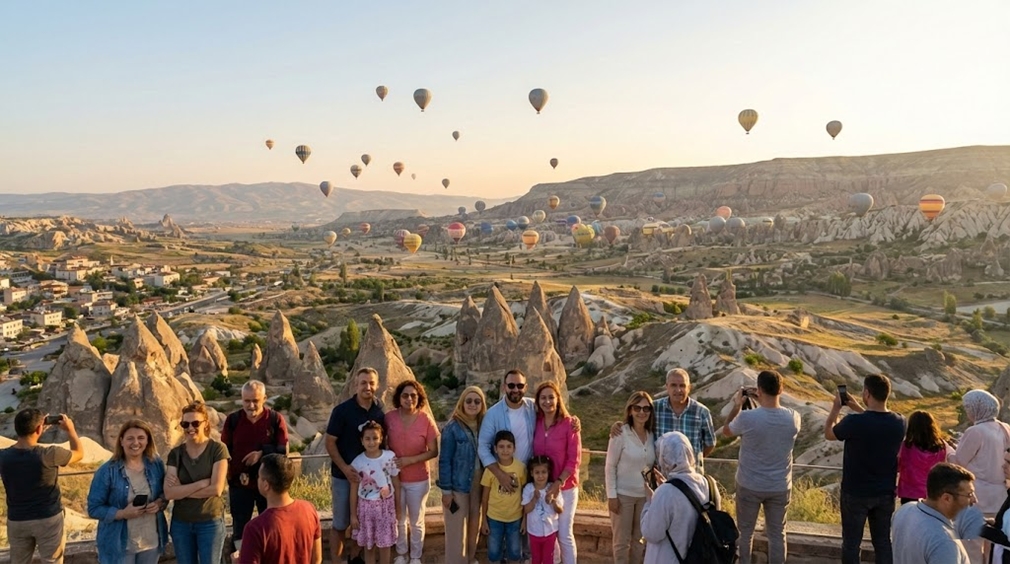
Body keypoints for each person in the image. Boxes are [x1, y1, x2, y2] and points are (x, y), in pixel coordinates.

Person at [825, 374, 906, 564]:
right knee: (883, 542)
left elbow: (829, 434)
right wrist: (859, 408)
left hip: (855, 492)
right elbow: (876, 421)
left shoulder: (854, 422)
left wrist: (836, 408)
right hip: (885, 493)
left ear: (867, 393)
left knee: (852, 544)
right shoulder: (900, 421)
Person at [723, 370, 801, 564]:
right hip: (779, 486)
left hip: (749, 484)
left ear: (758, 390)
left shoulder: (748, 418)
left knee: (745, 533)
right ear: (781, 389)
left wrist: (737, 405)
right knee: (777, 534)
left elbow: (726, 431)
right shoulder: (793, 417)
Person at [0, 409, 84, 564]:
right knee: (52, 561)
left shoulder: (3, 457)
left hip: (17, 520)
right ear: (39, 429)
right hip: (48, 518)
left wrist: (37, 428)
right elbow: (78, 453)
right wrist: (70, 429)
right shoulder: (50, 454)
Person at [325, 367, 386, 564]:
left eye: (371, 383)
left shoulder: (379, 411)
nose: (367, 387)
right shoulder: (342, 411)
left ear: (377, 385)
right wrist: (344, 467)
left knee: (364, 522)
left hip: (370, 480)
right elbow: (330, 442)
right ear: (355, 385)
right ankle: (337, 560)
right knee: (341, 523)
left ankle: (355, 559)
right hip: (344, 477)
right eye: (363, 383)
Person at [221, 380, 288, 553]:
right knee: (240, 529)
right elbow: (223, 451)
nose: (251, 405)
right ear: (241, 399)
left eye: (255, 401)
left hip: (269, 486)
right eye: (246, 401)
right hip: (239, 485)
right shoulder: (233, 420)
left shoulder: (275, 419)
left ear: (264, 398)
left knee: (271, 527)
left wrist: (261, 453)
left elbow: (282, 451)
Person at [87, 420, 168, 564]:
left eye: (141, 438)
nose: (135, 443)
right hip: (119, 545)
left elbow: (165, 494)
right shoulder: (107, 471)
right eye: (130, 438)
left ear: (148, 441)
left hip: (151, 542)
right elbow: (94, 508)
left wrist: (159, 503)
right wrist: (122, 514)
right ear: (121, 441)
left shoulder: (156, 464)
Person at [611, 368, 715, 472]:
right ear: (667, 387)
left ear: (689, 388)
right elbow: (637, 423)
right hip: (661, 479)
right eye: (673, 385)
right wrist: (619, 424)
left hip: (691, 479)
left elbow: (710, 444)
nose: (678, 390)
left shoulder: (702, 412)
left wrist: (692, 459)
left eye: (682, 385)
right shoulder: (655, 408)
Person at [164, 401, 230, 564]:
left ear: (205, 423)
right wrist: (201, 484)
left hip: (210, 522)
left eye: (195, 423)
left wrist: (182, 490)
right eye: (185, 424)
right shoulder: (176, 454)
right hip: (181, 523)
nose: (190, 428)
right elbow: (169, 493)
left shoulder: (217, 449)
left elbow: (216, 489)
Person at [949, 389, 1010, 562]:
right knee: (992, 548)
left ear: (977, 408)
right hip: (1000, 495)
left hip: (978, 495)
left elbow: (959, 463)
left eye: (968, 407)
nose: (967, 411)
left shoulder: (975, 431)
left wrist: (948, 450)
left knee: (971, 546)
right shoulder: (1005, 427)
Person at [640, 431, 719, 564]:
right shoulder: (709, 484)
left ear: (665, 458)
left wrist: (650, 501)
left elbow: (651, 533)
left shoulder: (665, 492)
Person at [386, 380, 439, 564]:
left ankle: (415, 556)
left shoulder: (425, 420)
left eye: (413, 395)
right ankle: (401, 554)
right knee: (398, 518)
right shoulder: (389, 418)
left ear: (419, 398)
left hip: (418, 479)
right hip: (395, 479)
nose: (409, 399)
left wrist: (410, 460)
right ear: (399, 398)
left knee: (416, 520)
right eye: (405, 395)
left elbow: (434, 451)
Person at [234, 454, 322, 564]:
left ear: (266, 485)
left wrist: (237, 561)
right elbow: (317, 559)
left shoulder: (255, 528)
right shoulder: (309, 510)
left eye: (259, 477)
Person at [531, 381, 581, 564]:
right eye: (543, 398)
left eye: (551, 397)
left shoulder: (569, 424)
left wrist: (558, 483)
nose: (547, 401)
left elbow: (574, 459)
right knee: (548, 531)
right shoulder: (535, 421)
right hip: (543, 485)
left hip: (565, 487)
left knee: (564, 533)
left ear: (558, 399)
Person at [438, 386, 487, 564]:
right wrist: (446, 491)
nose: (473, 404)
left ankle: (470, 559)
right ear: (462, 403)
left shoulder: (484, 425)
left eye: (477, 401)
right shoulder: (452, 427)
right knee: (456, 530)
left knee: (474, 523)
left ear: (482, 405)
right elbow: (444, 460)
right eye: (469, 401)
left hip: (478, 483)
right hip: (457, 484)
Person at [605, 391, 656, 564]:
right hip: (622, 495)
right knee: (621, 542)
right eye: (637, 408)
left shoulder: (652, 435)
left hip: (644, 497)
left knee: (639, 541)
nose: (642, 412)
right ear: (630, 410)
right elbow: (610, 466)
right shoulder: (620, 433)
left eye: (646, 408)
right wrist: (612, 496)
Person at [892, 462, 975, 563]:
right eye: (969, 495)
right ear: (947, 498)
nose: (974, 500)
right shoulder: (944, 543)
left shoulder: (905, 511)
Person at [349, 421, 401, 564]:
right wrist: (353, 515)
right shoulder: (357, 462)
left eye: (375, 438)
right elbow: (353, 490)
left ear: (381, 439)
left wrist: (398, 508)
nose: (371, 442)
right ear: (361, 441)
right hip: (365, 509)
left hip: (386, 507)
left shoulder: (390, 457)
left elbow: (396, 483)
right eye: (367, 439)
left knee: (385, 545)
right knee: (369, 546)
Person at [480, 430, 527, 564]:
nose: (505, 450)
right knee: (494, 552)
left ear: (514, 448)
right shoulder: (491, 469)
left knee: (515, 552)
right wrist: (483, 520)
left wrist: (524, 519)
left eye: (508, 446)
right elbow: (485, 497)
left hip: (515, 518)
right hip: (494, 518)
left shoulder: (520, 468)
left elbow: (525, 495)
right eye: (501, 446)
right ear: (495, 449)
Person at [898, 411, 952, 504]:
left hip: (909, 492)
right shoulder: (941, 446)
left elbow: (898, 466)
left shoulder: (906, 446)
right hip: (933, 492)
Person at [522, 455, 563, 564]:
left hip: (550, 531)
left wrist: (553, 501)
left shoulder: (552, 488)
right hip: (534, 532)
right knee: (536, 559)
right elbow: (526, 509)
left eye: (543, 472)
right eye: (537, 472)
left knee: (548, 559)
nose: (540, 476)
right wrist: (534, 500)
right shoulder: (528, 488)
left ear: (548, 472)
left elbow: (560, 510)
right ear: (532, 473)